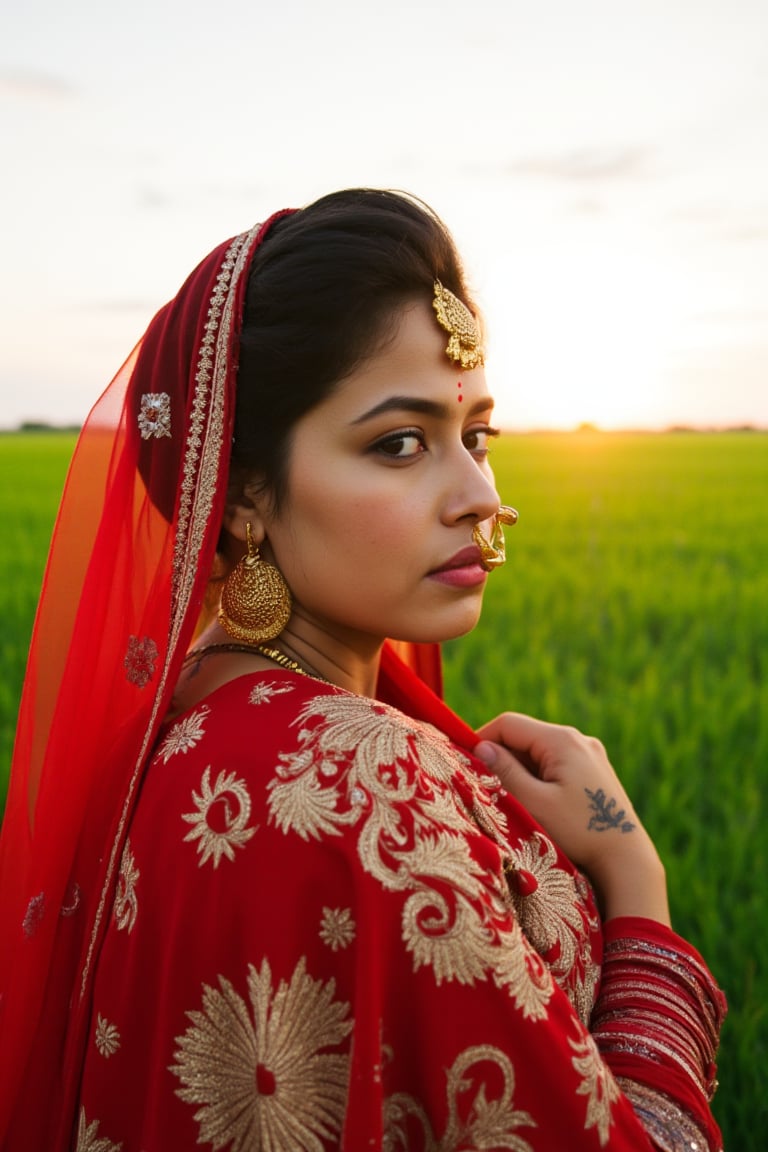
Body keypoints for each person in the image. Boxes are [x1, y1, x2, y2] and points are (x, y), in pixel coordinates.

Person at [0, 189, 725, 1151]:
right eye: (398, 443)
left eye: (478, 439)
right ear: (246, 488)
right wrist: (635, 879)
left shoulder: (188, 727)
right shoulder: (362, 780)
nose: (480, 499)